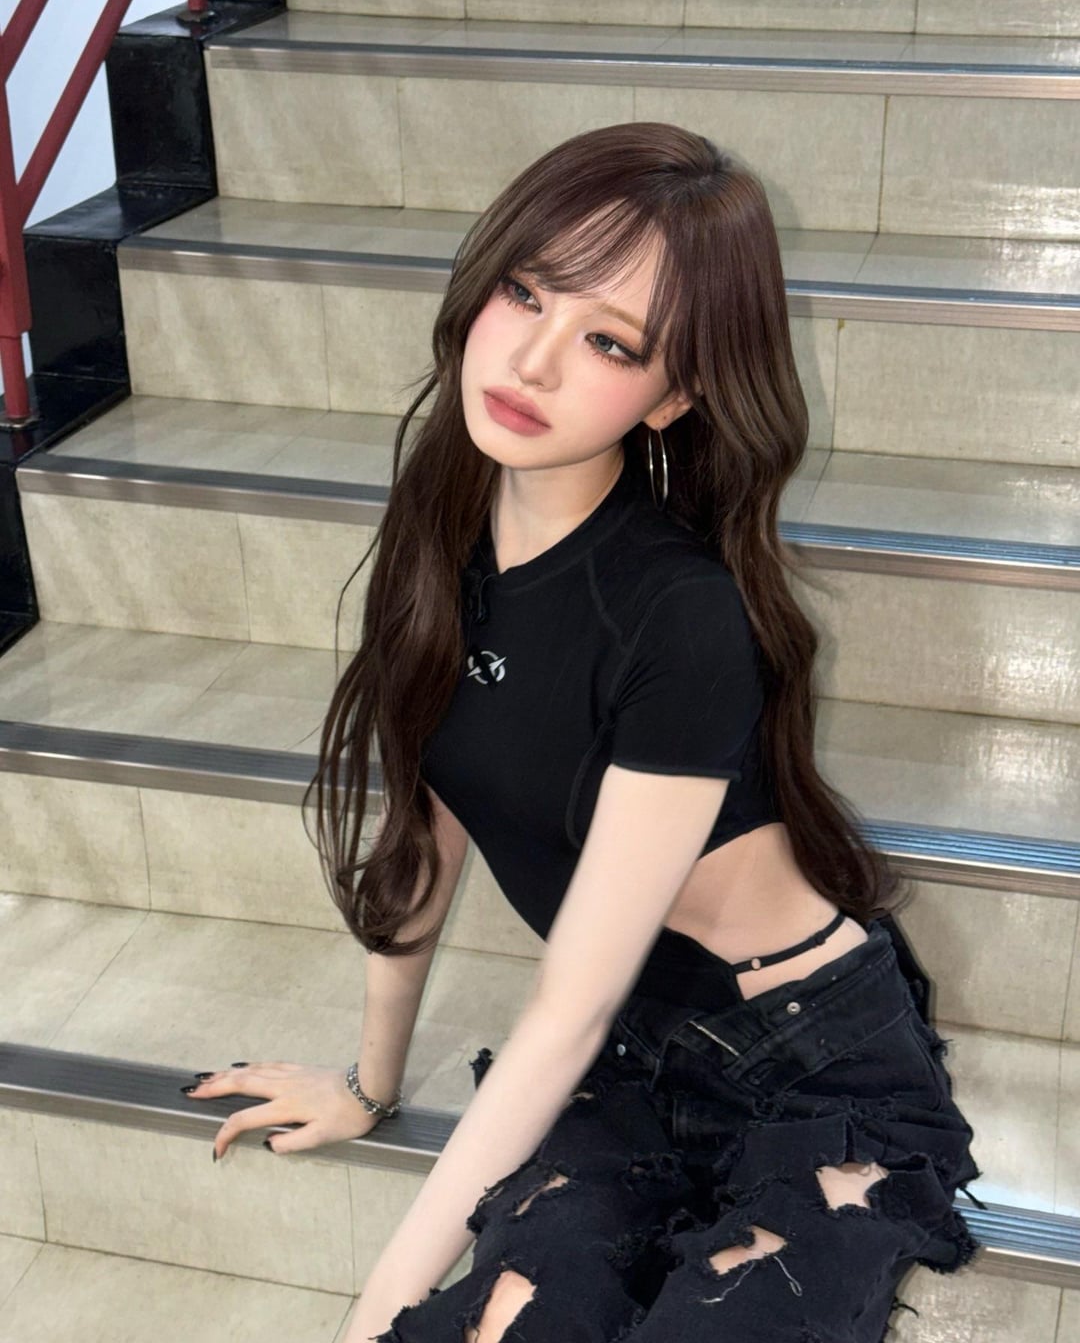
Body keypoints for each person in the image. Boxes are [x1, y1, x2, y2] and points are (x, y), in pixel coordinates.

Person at [181, 122, 981, 1341]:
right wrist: (369, 1087)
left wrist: (371, 1313)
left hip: (808, 1062)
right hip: (632, 1058)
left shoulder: (678, 614)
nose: (535, 359)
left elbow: (564, 1012)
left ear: (675, 396)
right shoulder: (445, 528)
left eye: (610, 342)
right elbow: (425, 831)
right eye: (526, 292)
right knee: (511, 1318)